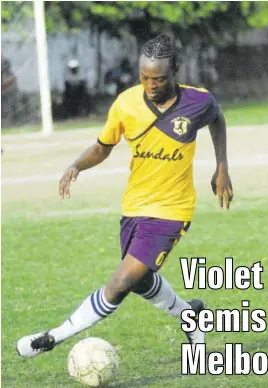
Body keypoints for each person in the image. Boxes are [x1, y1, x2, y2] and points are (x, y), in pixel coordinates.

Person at [17, 34, 233, 357]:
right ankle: (191, 315)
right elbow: (103, 147)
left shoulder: (197, 101)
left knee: (119, 284)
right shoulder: (126, 104)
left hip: (172, 211)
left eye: (158, 79)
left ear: (174, 71)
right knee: (142, 283)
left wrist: (222, 166)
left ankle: (53, 338)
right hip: (134, 207)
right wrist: (76, 165)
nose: (150, 85)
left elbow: (216, 118)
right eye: (144, 77)